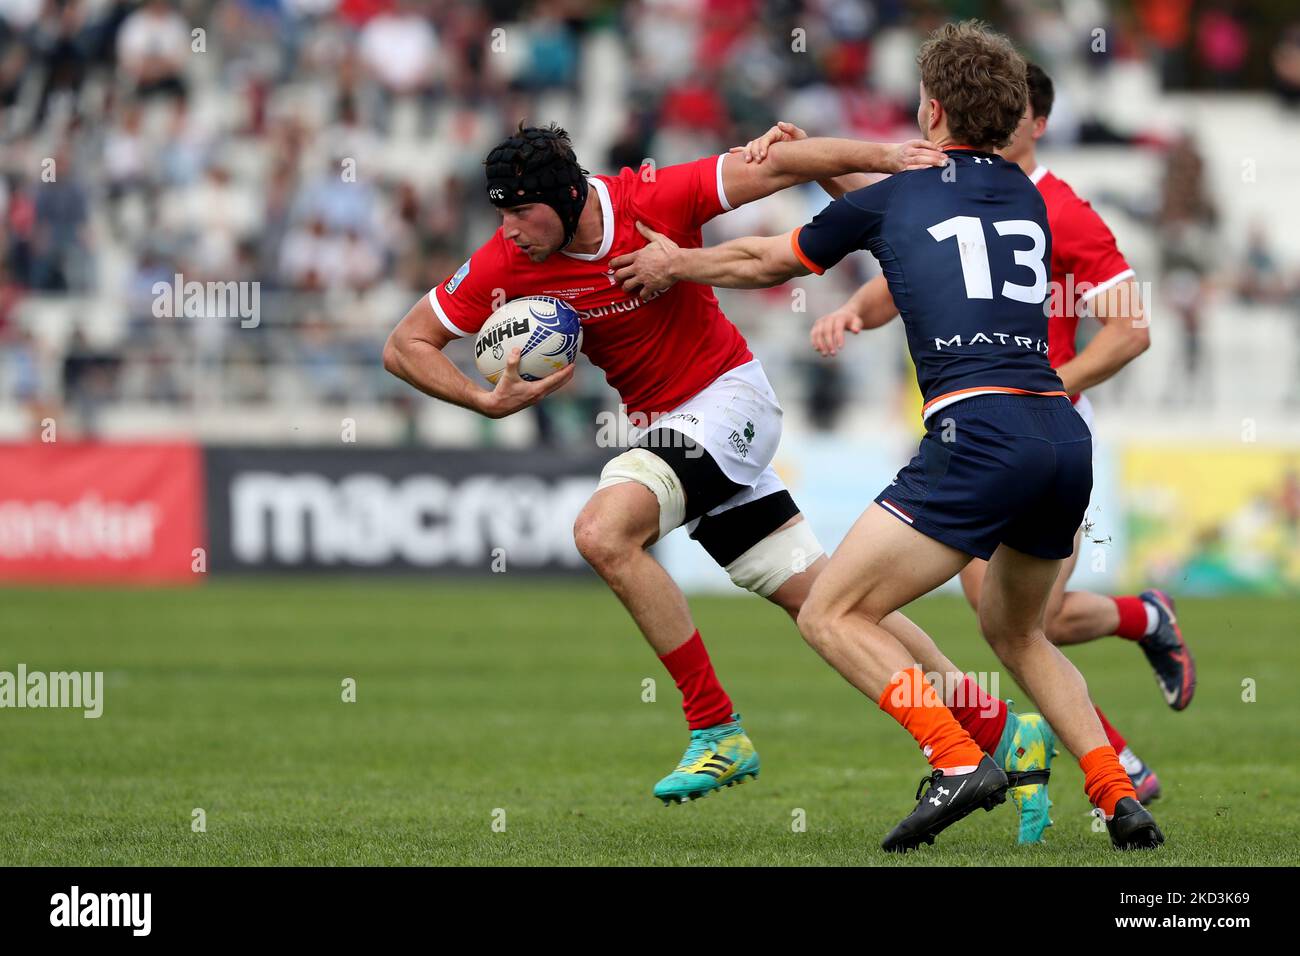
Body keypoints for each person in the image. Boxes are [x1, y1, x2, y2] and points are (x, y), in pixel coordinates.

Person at [383, 122, 1057, 839]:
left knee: (602, 533)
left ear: (566, 196)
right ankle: (1002, 733)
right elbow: (405, 346)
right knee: (834, 606)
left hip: (729, 403)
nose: (509, 231)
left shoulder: (652, 197)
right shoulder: (505, 263)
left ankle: (716, 727)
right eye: (500, 215)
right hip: (676, 436)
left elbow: (779, 166)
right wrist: (482, 399)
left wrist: (886, 156)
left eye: (520, 212)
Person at [611, 21, 1164, 852]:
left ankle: (953, 759)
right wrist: (842, 177)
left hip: (977, 433)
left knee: (832, 613)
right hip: (1060, 434)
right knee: (1018, 635)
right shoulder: (1026, 193)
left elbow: (774, 261)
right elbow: (908, 226)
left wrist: (675, 265)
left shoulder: (906, 189)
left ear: (931, 109)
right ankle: (1119, 795)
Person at [755, 62, 1193, 806]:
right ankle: (1113, 755)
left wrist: (1055, 384)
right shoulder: (945, 189)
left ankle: (1090, 729)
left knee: (1017, 620)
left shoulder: (1063, 209)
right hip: (974, 425)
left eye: (1010, 110)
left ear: (1036, 122)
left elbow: (1132, 329)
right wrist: (859, 311)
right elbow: (916, 254)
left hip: (1030, 421)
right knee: (1013, 623)